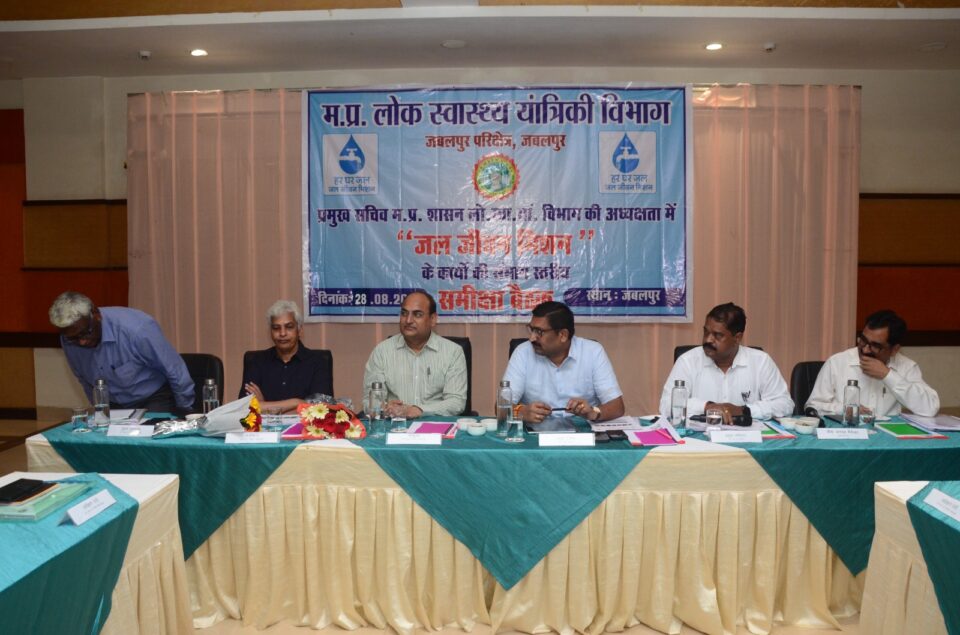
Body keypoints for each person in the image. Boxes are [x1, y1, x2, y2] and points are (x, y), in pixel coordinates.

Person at [48, 291, 194, 413]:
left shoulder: (137, 329)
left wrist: (184, 411)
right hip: (113, 403)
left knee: (148, 438)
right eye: (73, 339)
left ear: (96, 314)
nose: (82, 342)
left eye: (86, 333)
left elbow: (174, 369)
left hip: (153, 397)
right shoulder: (68, 339)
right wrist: (100, 412)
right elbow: (85, 380)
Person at [659, 302, 793, 423]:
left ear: (737, 338)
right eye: (706, 332)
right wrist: (707, 407)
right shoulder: (688, 361)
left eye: (718, 335)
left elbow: (785, 404)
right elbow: (666, 405)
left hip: (747, 438)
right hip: (699, 438)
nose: (708, 340)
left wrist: (743, 410)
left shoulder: (760, 361)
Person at [502, 301, 625, 423]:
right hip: (535, 430)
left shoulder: (592, 352)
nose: (532, 338)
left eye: (539, 332)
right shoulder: (523, 352)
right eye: (531, 329)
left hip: (584, 429)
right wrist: (521, 412)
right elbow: (501, 407)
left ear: (563, 335)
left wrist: (593, 412)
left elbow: (617, 407)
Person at [806, 309, 939, 417]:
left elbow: (930, 408)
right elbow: (813, 406)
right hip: (846, 433)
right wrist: (844, 409)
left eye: (875, 346)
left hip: (888, 438)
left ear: (894, 349)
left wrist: (887, 375)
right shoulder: (837, 362)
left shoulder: (907, 367)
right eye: (863, 340)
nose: (865, 349)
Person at [361, 290, 467, 418]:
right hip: (394, 425)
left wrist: (418, 410)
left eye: (417, 314)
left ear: (432, 319)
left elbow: (456, 403)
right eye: (404, 313)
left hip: (435, 426)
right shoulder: (382, 352)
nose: (408, 320)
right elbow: (369, 401)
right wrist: (385, 407)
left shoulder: (452, 352)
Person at [240, 300, 333, 413]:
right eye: (276, 328)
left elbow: (320, 409)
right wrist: (297, 403)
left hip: (302, 426)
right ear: (270, 331)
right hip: (265, 426)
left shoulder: (318, 361)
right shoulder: (256, 361)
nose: (282, 333)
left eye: (289, 327)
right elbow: (244, 408)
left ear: (299, 330)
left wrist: (264, 406)